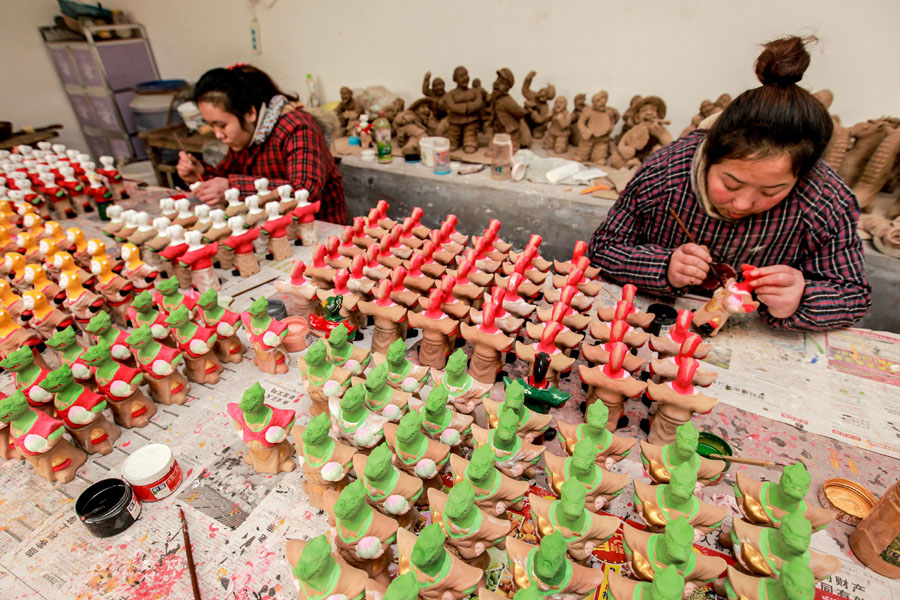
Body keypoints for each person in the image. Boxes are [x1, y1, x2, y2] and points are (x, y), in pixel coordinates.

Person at [589, 36, 870, 331]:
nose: (743, 203)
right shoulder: (669, 171)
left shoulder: (825, 199)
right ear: (709, 155)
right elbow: (604, 248)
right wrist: (663, 266)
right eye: (732, 184)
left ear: (802, 177)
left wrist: (802, 297)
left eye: (771, 191)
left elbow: (853, 296)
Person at [176, 63, 347, 224]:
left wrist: (232, 188)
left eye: (222, 125)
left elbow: (305, 193)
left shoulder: (297, 127)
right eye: (211, 125)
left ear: (250, 113)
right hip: (271, 228)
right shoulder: (246, 135)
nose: (218, 134)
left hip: (318, 233)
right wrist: (201, 174)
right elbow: (227, 176)